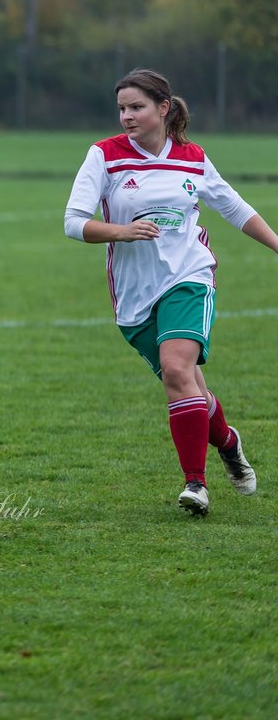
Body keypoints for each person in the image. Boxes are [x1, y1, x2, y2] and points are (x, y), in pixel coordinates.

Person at [64, 68, 278, 516]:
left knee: (177, 370)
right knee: (190, 386)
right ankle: (229, 441)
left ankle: (195, 485)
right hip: (134, 296)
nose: (126, 116)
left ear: (163, 108)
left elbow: (235, 209)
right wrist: (119, 231)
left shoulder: (193, 157)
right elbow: (73, 222)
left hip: (188, 277)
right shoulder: (104, 156)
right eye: (121, 108)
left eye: (136, 107)